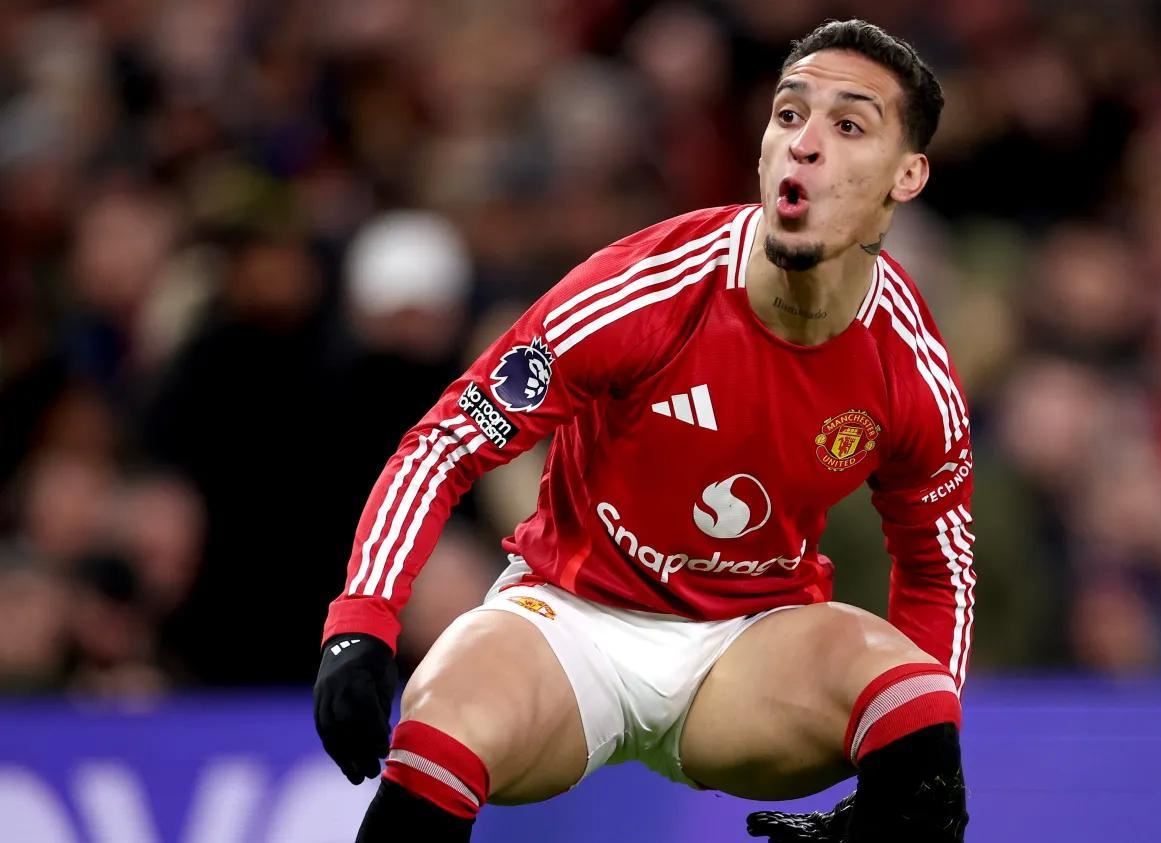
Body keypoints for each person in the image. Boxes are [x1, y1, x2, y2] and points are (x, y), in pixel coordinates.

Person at [313, 19, 975, 842]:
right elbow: (445, 442)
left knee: (915, 706)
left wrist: (911, 777)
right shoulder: (645, 291)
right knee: (440, 727)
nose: (804, 144)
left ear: (906, 176)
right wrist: (360, 621)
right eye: (789, 114)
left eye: (848, 125)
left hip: (752, 646)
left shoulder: (909, 364)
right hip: (568, 620)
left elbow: (939, 567)